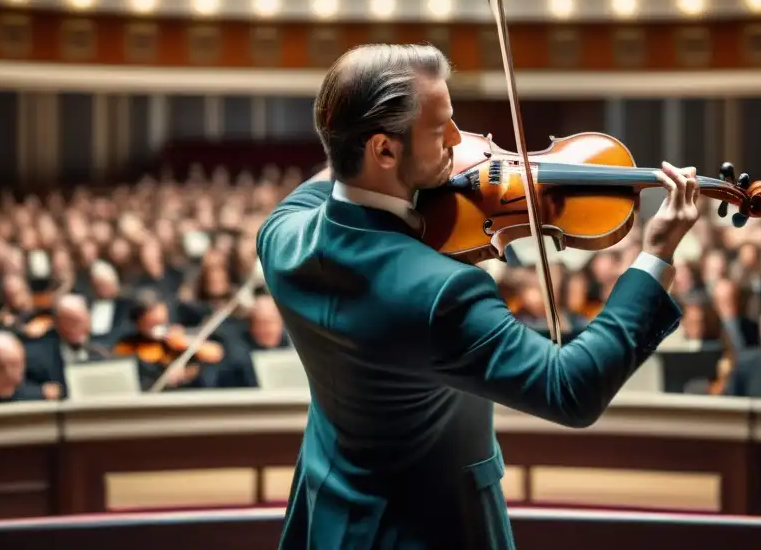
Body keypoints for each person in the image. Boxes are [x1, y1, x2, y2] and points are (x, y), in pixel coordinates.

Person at [256, 44, 701, 550]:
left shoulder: (281, 237)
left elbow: (335, 174)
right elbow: (570, 388)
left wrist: (425, 170)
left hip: (330, 514)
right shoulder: (440, 292)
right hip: (431, 529)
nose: (457, 139)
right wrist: (656, 255)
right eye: (440, 128)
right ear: (382, 149)